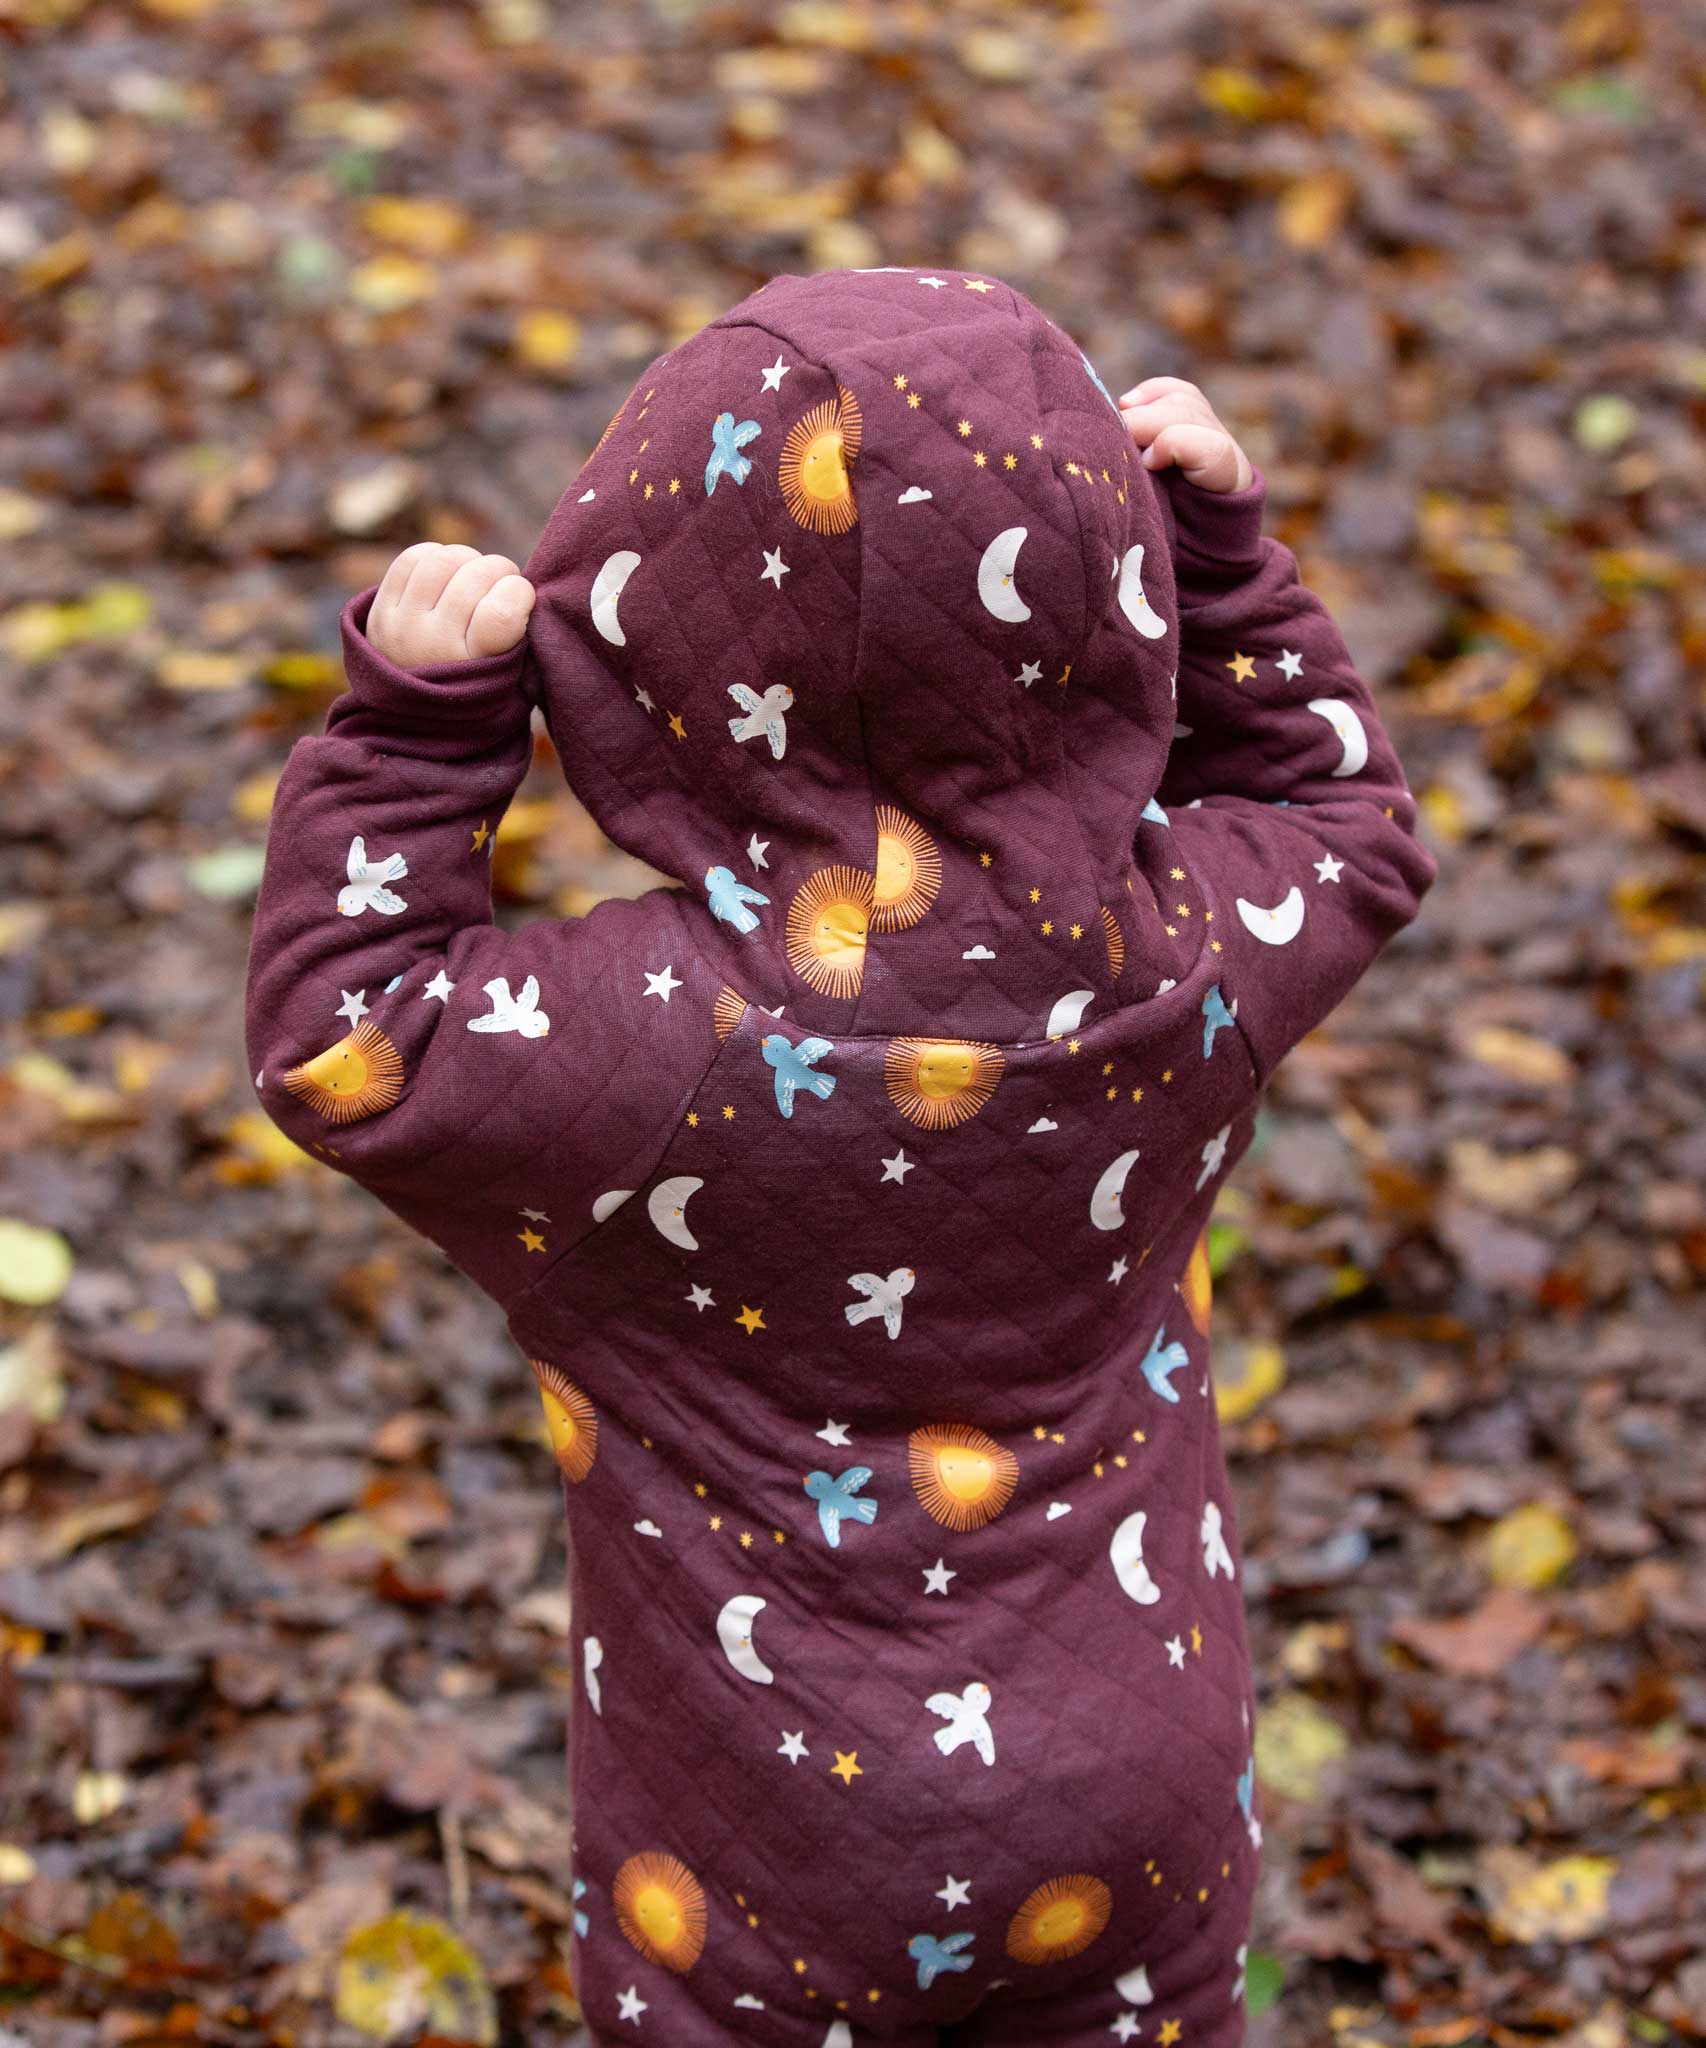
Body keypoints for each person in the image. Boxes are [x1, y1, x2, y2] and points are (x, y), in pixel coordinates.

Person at [246, 267, 1436, 2046]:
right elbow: (1345, 822)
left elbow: (347, 1040)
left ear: (643, 643)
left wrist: (418, 735)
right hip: (1140, 1772)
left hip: (769, 1838)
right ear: (1109, 615)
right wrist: (1223, 568)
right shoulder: (1190, 953)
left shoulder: (645, 1042)